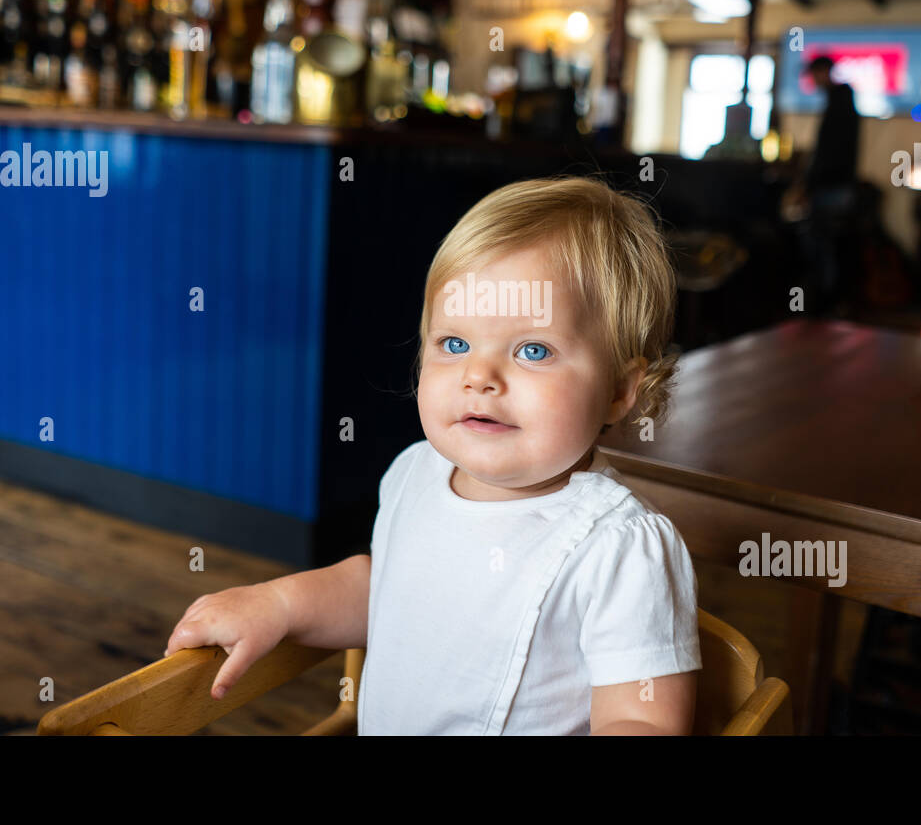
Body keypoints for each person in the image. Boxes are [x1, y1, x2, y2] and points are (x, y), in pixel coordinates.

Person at [165, 177, 703, 735]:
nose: (479, 376)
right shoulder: (414, 472)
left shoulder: (619, 546)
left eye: (533, 350)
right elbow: (387, 591)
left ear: (619, 389)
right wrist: (277, 603)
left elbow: (645, 721)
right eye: (454, 344)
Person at [782, 54, 862, 313]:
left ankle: (822, 304)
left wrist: (808, 184)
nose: (813, 81)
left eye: (814, 74)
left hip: (831, 187)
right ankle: (826, 302)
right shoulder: (842, 101)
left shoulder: (839, 102)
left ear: (824, 72)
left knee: (821, 245)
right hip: (837, 185)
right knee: (828, 244)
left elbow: (828, 153)